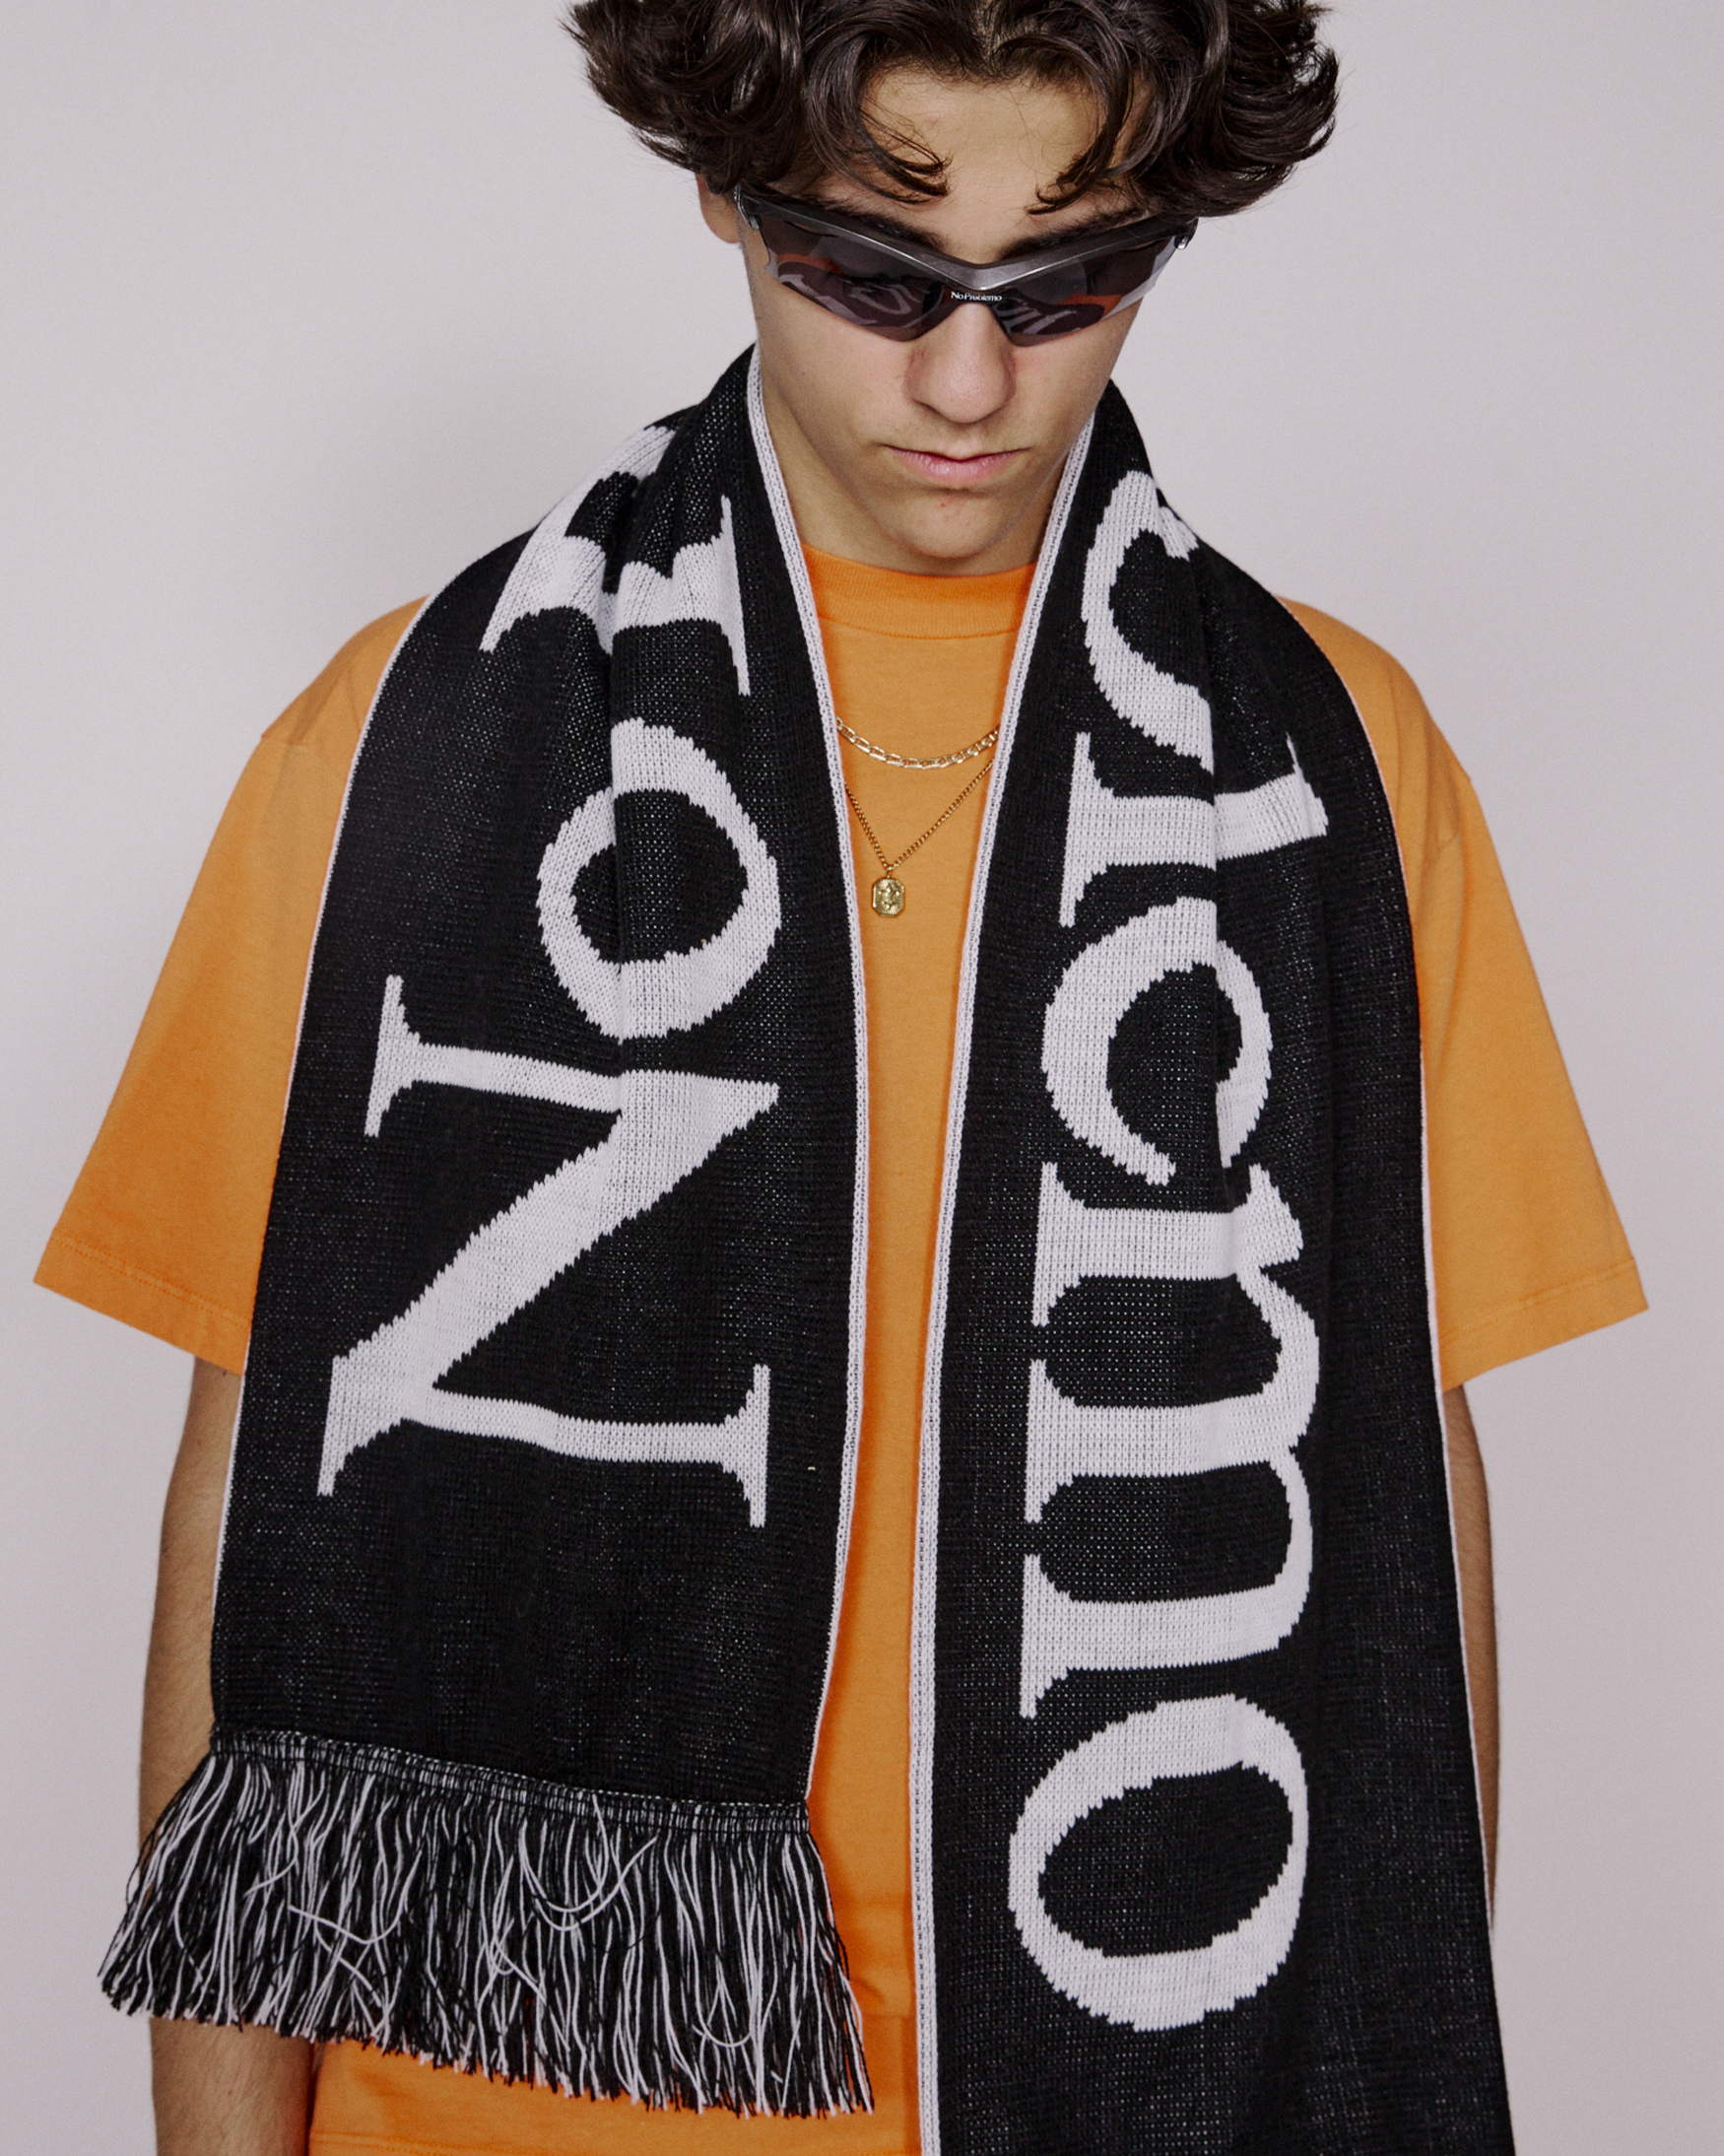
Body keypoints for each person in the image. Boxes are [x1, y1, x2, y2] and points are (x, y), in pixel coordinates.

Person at [38, 4, 1645, 2152]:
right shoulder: (402, 741)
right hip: (507, 2100)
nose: (969, 384)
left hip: (1141, 2074)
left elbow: (1398, 1498)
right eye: (874, 277)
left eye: (1068, 280)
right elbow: (250, 1509)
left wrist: (1377, 2073)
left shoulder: (1330, 771)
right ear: (724, 193)